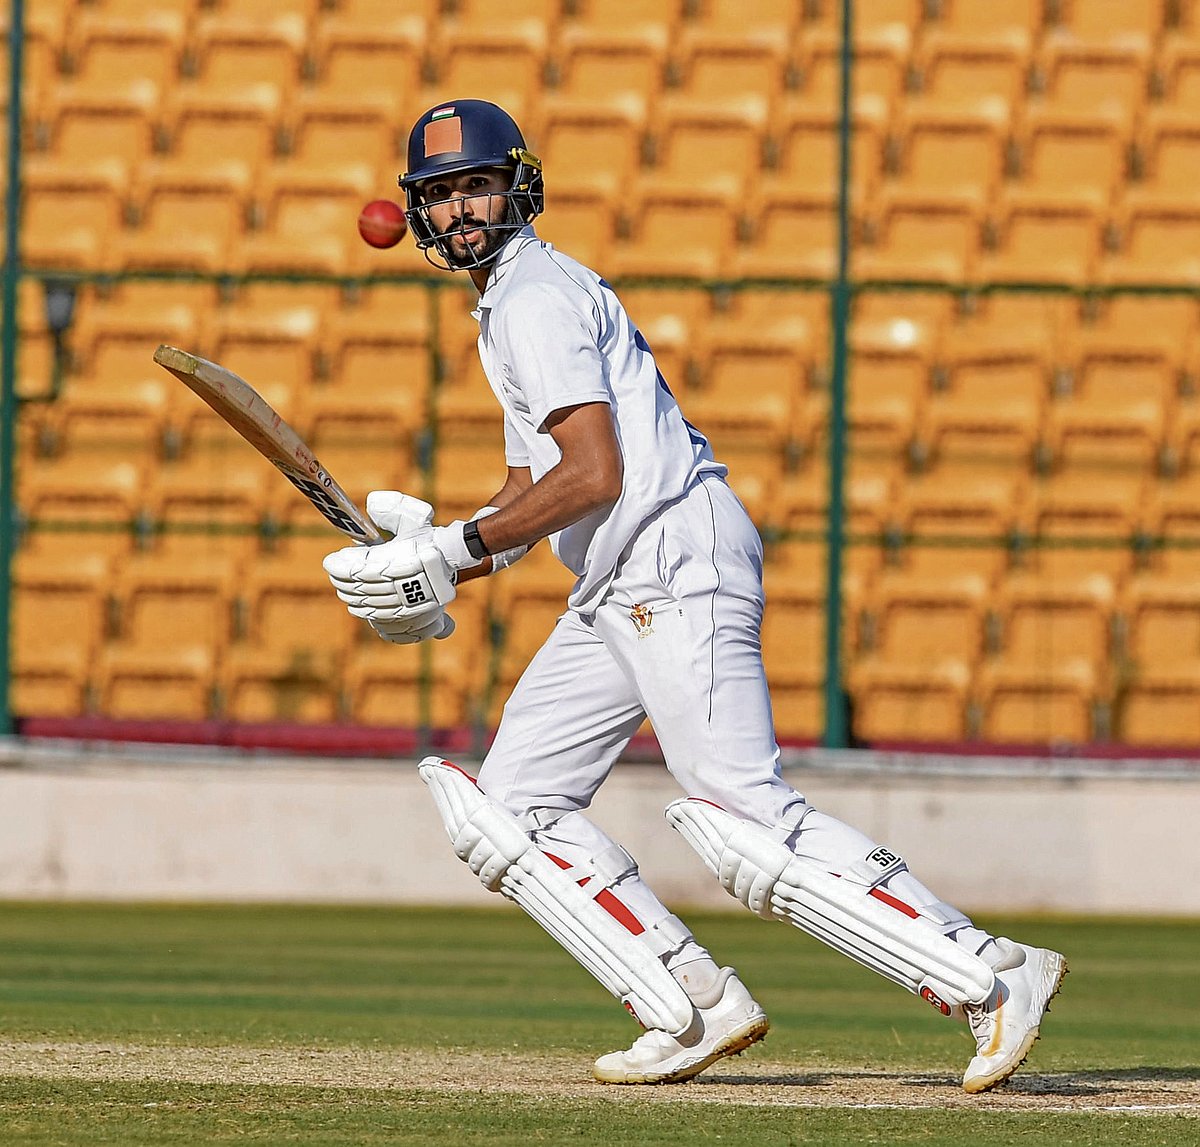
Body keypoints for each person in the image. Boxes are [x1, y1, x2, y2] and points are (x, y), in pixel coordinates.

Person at [322, 99, 1067, 1090]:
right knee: (513, 805)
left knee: (742, 814)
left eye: (477, 186)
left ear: (518, 187)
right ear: (416, 212)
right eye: (442, 194)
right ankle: (691, 998)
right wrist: (447, 556)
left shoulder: (536, 296)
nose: (462, 210)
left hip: (671, 557)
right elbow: (531, 485)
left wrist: (455, 547)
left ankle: (992, 972)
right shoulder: (509, 303)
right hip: (616, 579)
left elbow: (596, 476)